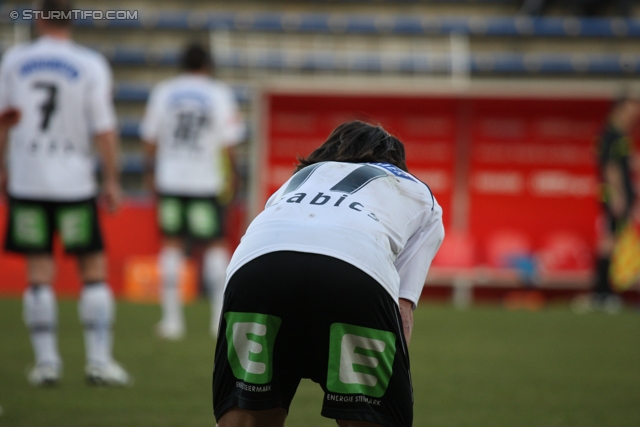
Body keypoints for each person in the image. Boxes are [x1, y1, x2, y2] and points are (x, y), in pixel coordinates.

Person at [212, 121, 445, 427]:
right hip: (356, 269)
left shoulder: (300, 178)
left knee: (246, 418)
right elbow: (401, 312)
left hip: (255, 270)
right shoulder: (419, 193)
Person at [0, 0, 130, 386]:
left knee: (39, 273)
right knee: (93, 270)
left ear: (39, 19)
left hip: (27, 179)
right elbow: (104, 130)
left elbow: (4, 121)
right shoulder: (90, 64)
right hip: (74, 183)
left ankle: (46, 364)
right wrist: (112, 179)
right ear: (71, 19)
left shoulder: (13, 60)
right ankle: (99, 362)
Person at [140, 42, 244, 340]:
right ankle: (217, 320)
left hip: (170, 179)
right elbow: (230, 141)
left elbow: (149, 137)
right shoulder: (218, 93)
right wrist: (234, 175)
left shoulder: (163, 92)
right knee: (214, 245)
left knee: (170, 245)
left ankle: (172, 321)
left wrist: (150, 171)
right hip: (205, 182)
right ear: (208, 66)